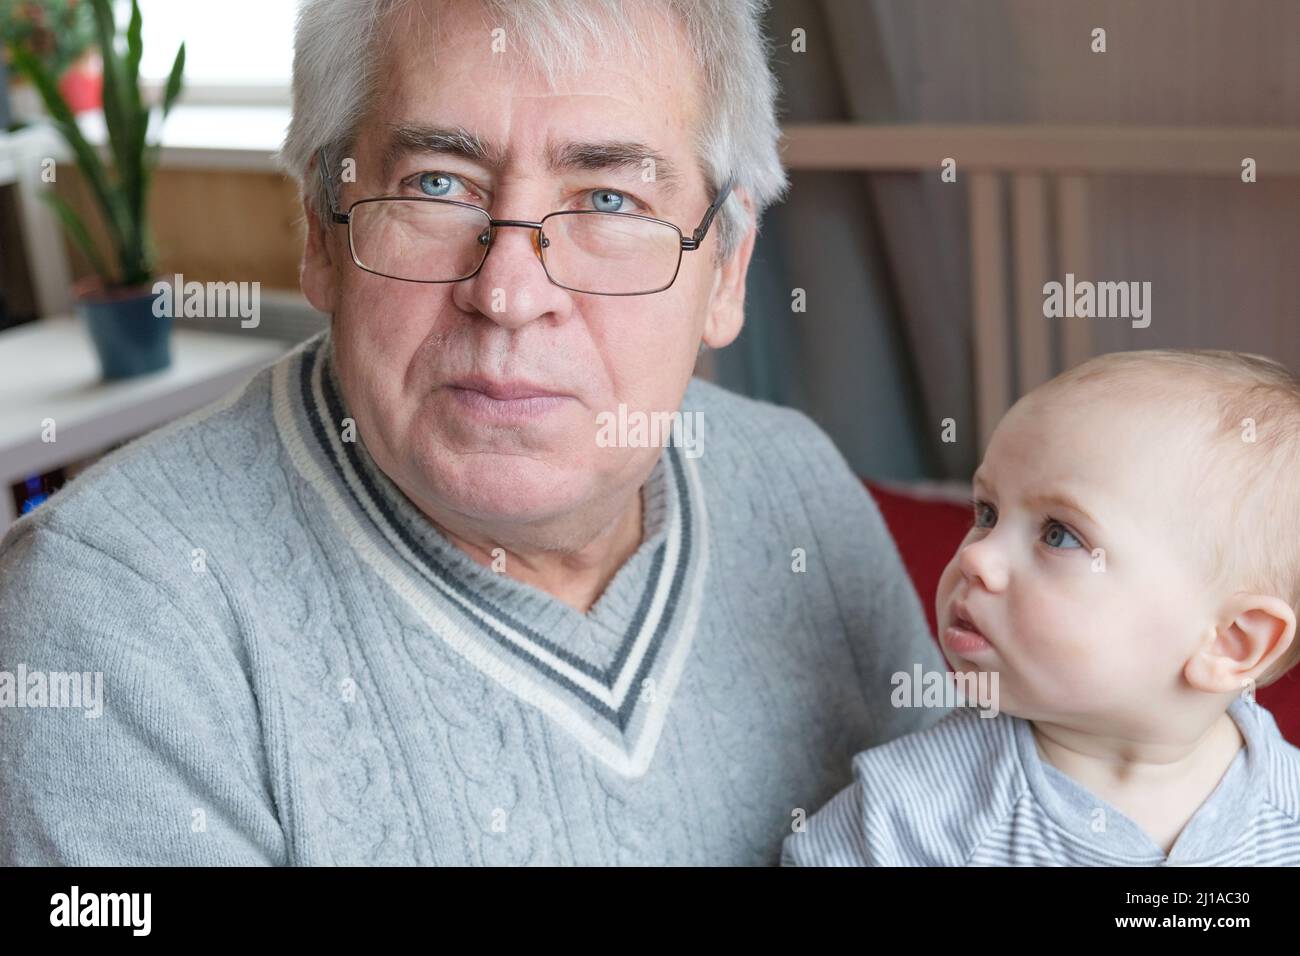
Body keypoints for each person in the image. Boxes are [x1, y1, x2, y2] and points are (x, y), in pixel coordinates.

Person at [0, 0, 947, 865]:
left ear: (729, 268)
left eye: (608, 200)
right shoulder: (111, 616)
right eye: (439, 185)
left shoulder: (797, 485)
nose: (507, 294)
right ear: (320, 237)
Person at [784, 350, 1300, 866]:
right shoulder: (911, 813)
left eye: (1059, 535)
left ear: (1231, 641)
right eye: (986, 513)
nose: (975, 556)